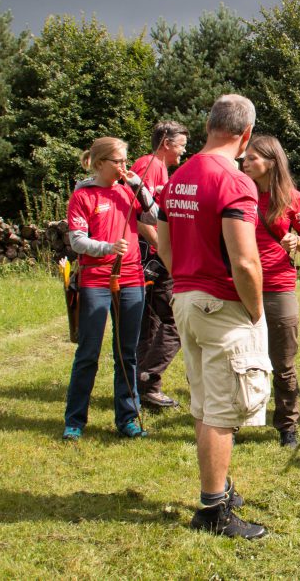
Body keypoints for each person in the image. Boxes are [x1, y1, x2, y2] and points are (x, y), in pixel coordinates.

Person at [158, 94, 270, 539]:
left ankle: (218, 488)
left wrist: (187, 279)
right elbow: (245, 261)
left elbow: (164, 247)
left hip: (185, 298)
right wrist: (255, 311)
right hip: (221, 303)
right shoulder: (235, 182)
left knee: (205, 404)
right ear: (245, 136)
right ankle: (213, 510)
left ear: (208, 126)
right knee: (223, 411)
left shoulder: (178, 175)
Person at [63, 137, 158, 441]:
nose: (124, 167)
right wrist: (106, 247)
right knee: (88, 352)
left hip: (131, 278)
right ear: (100, 162)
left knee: (126, 353)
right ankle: (75, 421)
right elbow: (77, 240)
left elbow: (156, 217)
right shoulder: (83, 195)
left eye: (125, 161)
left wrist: (139, 189)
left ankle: (128, 418)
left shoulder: (128, 192)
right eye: (118, 161)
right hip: (95, 279)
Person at [242, 135, 300, 449]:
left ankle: (287, 426)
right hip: (240, 287)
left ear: (271, 162)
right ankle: (233, 423)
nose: (244, 163)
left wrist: (296, 242)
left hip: (278, 287)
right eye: (244, 158)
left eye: (251, 159)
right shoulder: (237, 195)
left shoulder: (293, 198)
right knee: (239, 361)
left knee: (283, 363)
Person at [133, 121, 189, 410]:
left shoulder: (158, 167)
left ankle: (143, 389)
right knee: (176, 319)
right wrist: (163, 250)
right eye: (180, 144)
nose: (183, 150)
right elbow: (140, 216)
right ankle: (147, 379)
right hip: (152, 256)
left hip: (151, 255)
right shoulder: (149, 164)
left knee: (152, 322)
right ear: (166, 142)